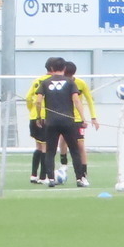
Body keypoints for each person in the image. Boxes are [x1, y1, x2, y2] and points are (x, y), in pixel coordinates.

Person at [39, 60, 97, 188]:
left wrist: (39, 116)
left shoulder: (46, 82)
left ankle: (53, 179)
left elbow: (38, 101)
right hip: (68, 121)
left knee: (51, 151)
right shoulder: (70, 83)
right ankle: (77, 177)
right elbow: (76, 101)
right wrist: (84, 119)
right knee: (74, 149)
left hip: (53, 121)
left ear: (52, 68)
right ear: (64, 68)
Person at [27, 59, 62, 184]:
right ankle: (43, 177)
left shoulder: (36, 80)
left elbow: (28, 97)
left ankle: (33, 175)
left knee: (38, 145)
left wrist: (32, 111)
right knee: (46, 147)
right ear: (53, 68)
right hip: (45, 117)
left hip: (33, 117)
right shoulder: (52, 82)